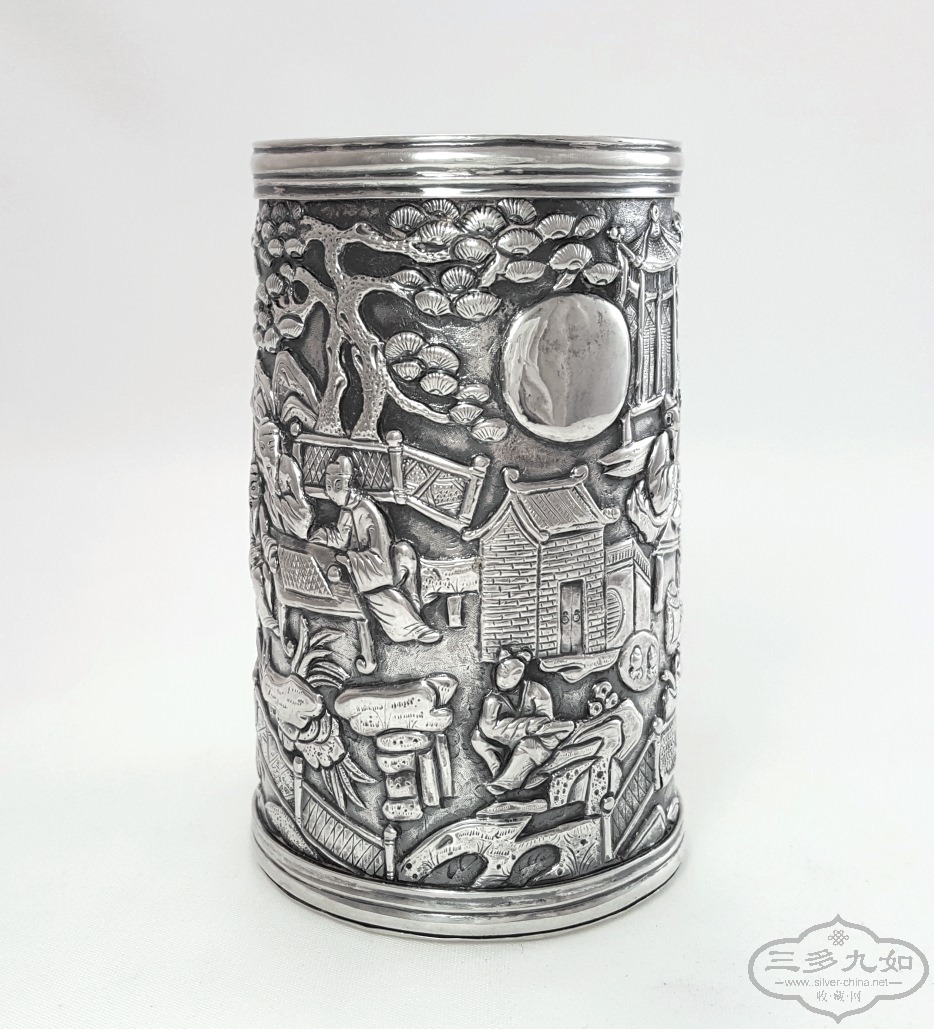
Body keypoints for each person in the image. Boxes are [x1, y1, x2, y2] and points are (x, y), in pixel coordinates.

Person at [309, 454, 441, 645]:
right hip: (366, 569)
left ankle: (415, 628)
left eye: (334, 486)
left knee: (379, 595)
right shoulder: (348, 508)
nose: (330, 494)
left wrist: (350, 560)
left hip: (379, 570)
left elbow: (379, 555)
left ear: (345, 484)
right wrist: (323, 536)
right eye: (328, 487)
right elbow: (341, 537)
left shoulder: (367, 510)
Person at [471, 648, 574, 796]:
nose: (505, 679)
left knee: (529, 745)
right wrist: (529, 726)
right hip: (495, 742)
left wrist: (533, 727)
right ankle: (499, 775)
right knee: (478, 739)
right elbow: (489, 729)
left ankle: (504, 784)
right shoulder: (492, 700)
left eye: (513, 675)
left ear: (521, 675)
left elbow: (546, 721)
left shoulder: (537, 691)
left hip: (533, 740)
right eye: (502, 673)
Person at [254, 416, 314, 538]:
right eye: (262, 448)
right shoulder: (265, 467)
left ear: (279, 445)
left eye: (271, 447)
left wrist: (281, 502)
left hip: (295, 510)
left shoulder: (287, 465)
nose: (267, 454)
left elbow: (299, 498)